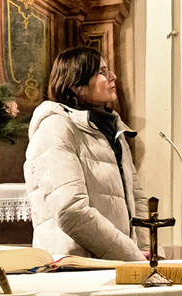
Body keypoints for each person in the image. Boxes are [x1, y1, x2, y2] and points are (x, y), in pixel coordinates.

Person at [24, 46, 150, 261]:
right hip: (75, 264)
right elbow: (70, 209)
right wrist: (131, 255)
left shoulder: (112, 130)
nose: (113, 77)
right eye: (102, 72)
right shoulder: (56, 127)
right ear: (76, 85)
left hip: (118, 262)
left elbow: (136, 198)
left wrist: (146, 253)